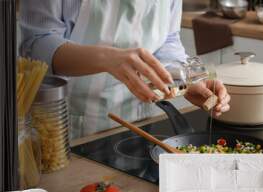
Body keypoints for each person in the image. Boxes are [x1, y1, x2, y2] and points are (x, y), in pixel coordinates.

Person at [19, 0, 230, 138]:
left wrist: (186, 80)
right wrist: (106, 58)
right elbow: (36, 45)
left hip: (140, 121)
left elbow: (167, 39)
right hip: (68, 123)